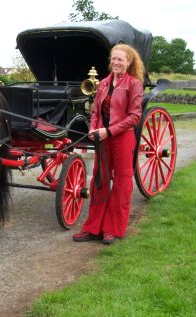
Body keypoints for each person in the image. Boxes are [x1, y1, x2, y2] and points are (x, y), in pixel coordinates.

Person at [73, 43, 144, 245]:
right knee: (99, 181)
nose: (115, 62)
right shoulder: (103, 83)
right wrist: (93, 129)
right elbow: (95, 112)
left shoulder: (134, 84)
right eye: (113, 59)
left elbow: (134, 116)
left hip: (122, 138)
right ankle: (93, 228)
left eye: (120, 59)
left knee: (122, 182)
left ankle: (113, 229)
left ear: (128, 62)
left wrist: (109, 131)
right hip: (102, 137)